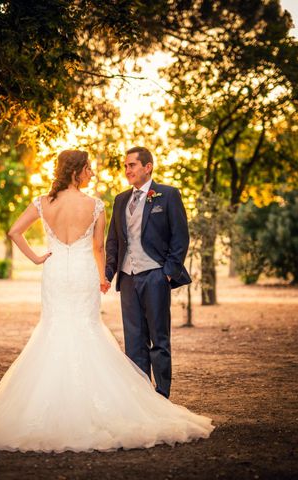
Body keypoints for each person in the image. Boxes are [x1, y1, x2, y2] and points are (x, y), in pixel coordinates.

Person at [0, 149, 214, 452]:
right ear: (76, 171)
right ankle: (132, 401)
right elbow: (99, 248)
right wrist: (102, 277)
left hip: (56, 271)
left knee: (54, 328)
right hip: (83, 273)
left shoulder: (43, 203)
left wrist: (36, 258)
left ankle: (65, 403)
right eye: (88, 169)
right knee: (89, 329)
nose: (92, 174)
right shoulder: (95, 205)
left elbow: (14, 231)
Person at [104, 146, 191, 399]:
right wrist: (109, 274)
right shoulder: (121, 199)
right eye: (125, 166)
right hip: (128, 278)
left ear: (147, 167)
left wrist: (168, 272)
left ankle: (162, 394)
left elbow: (180, 237)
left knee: (159, 339)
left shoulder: (168, 195)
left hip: (155, 275)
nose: (127, 170)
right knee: (134, 340)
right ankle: (141, 395)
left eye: (131, 165)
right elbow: (114, 241)